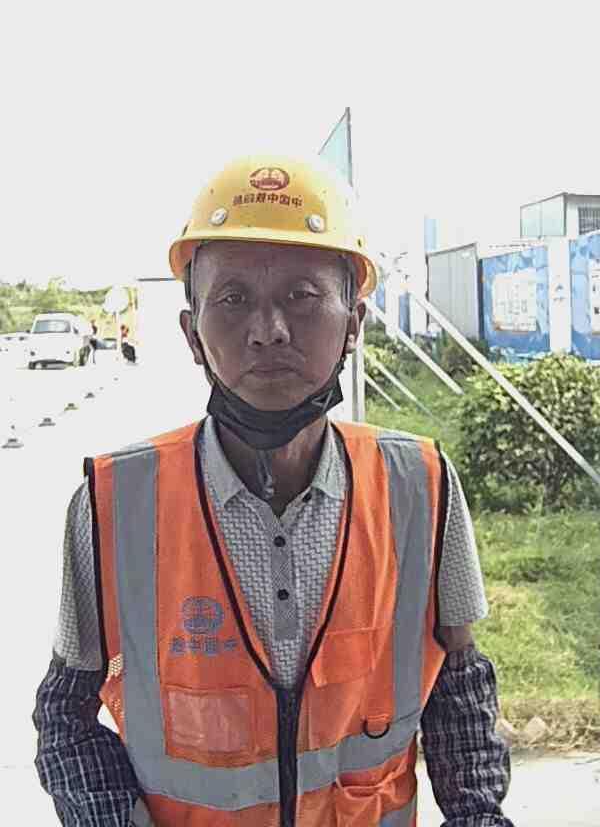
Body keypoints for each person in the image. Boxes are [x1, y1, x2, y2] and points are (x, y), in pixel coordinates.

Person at [33, 154, 515, 827]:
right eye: (233, 300)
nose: (269, 331)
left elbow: (459, 694)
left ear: (354, 324)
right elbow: (66, 716)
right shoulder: (114, 503)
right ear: (191, 334)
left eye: (303, 296)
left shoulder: (420, 485)